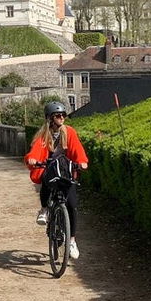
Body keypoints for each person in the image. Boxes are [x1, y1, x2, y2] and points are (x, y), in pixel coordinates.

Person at [25, 101, 89, 260]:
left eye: (63, 115)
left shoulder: (70, 132)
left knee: (72, 205)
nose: (62, 118)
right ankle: (45, 209)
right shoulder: (43, 135)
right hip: (50, 167)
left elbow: (77, 149)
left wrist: (81, 161)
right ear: (50, 119)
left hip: (66, 170)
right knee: (46, 181)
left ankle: (72, 240)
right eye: (58, 116)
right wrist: (33, 159)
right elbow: (36, 150)